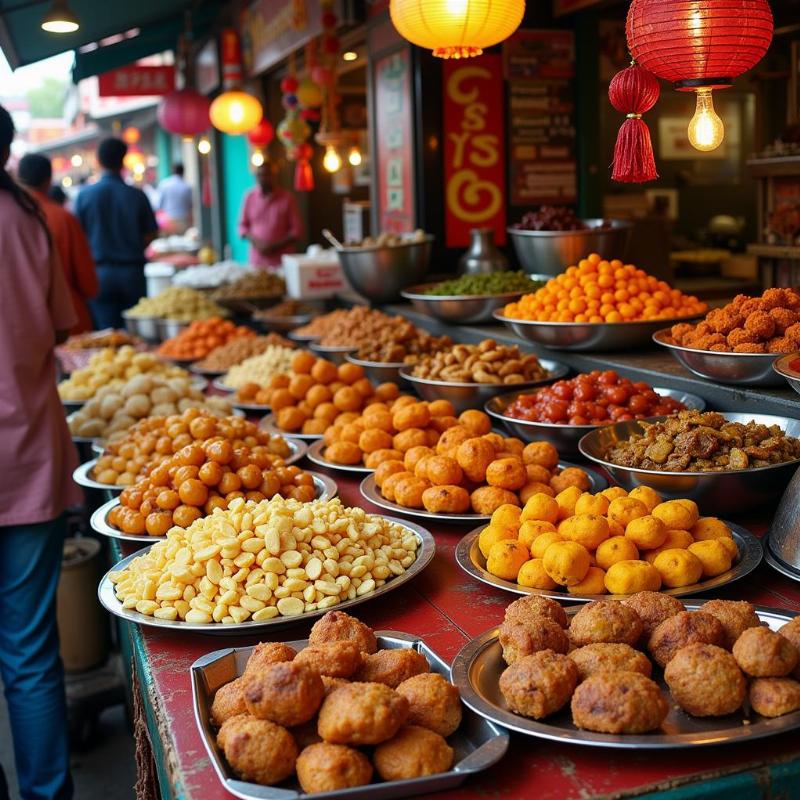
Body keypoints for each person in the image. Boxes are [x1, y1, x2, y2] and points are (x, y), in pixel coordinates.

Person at [0, 103, 78, 800]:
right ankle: (48, 795)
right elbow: (61, 324)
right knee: (28, 654)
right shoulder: (28, 219)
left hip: (26, 456)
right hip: (27, 459)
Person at [75, 137, 158, 329]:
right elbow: (151, 235)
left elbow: (78, 237)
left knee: (105, 337)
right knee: (136, 334)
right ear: (123, 159)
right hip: (132, 273)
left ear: (98, 161)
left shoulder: (84, 196)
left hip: (99, 274)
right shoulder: (137, 195)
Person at [18, 153, 98, 334]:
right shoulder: (63, 218)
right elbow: (88, 282)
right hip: (68, 317)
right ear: (48, 180)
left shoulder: (9, 217)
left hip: (20, 325)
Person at [238, 161, 303, 269]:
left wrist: (274, 246)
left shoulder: (287, 198)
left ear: (274, 176)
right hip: (257, 261)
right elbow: (242, 226)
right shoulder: (249, 197)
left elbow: (297, 231)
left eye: (267, 175)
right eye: (260, 175)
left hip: (282, 262)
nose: (263, 178)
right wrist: (256, 242)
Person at [157, 162, 193, 233]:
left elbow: (159, 204)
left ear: (173, 171)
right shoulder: (187, 186)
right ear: (183, 172)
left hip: (168, 220)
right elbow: (190, 206)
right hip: (183, 220)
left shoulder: (164, 184)